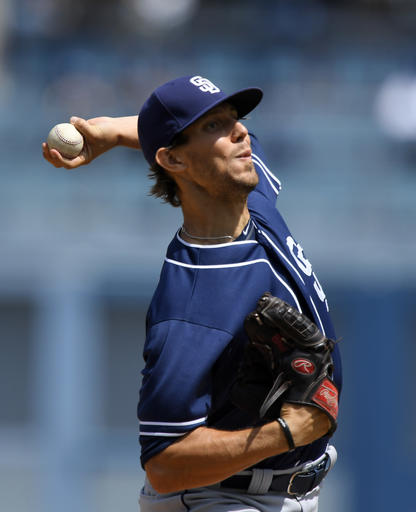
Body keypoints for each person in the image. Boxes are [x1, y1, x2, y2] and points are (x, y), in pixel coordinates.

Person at [43, 75, 342, 512]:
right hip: (221, 500)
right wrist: (289, 431)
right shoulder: (192, 301)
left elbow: (200, 144)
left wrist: (110, 131)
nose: (241, 132)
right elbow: (164, 463)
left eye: (233, 118)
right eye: (213, 126)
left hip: (279, 492)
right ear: (174, 161)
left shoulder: (250, 198)